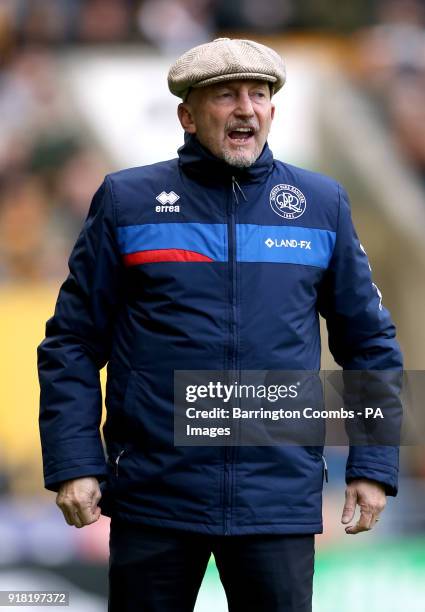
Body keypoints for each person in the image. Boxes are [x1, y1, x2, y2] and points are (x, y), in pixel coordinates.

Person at [38, 38, 403, 611]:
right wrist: (74, 461)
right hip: (155, 497)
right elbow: (73, 343)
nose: (246, 109)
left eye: (259, 95)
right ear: (187, 114)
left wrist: (375, 464)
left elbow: (370, 342)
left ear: (273, 112)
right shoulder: (126, 201)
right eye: (226, 95)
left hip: (276, 501)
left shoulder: (321, 203)